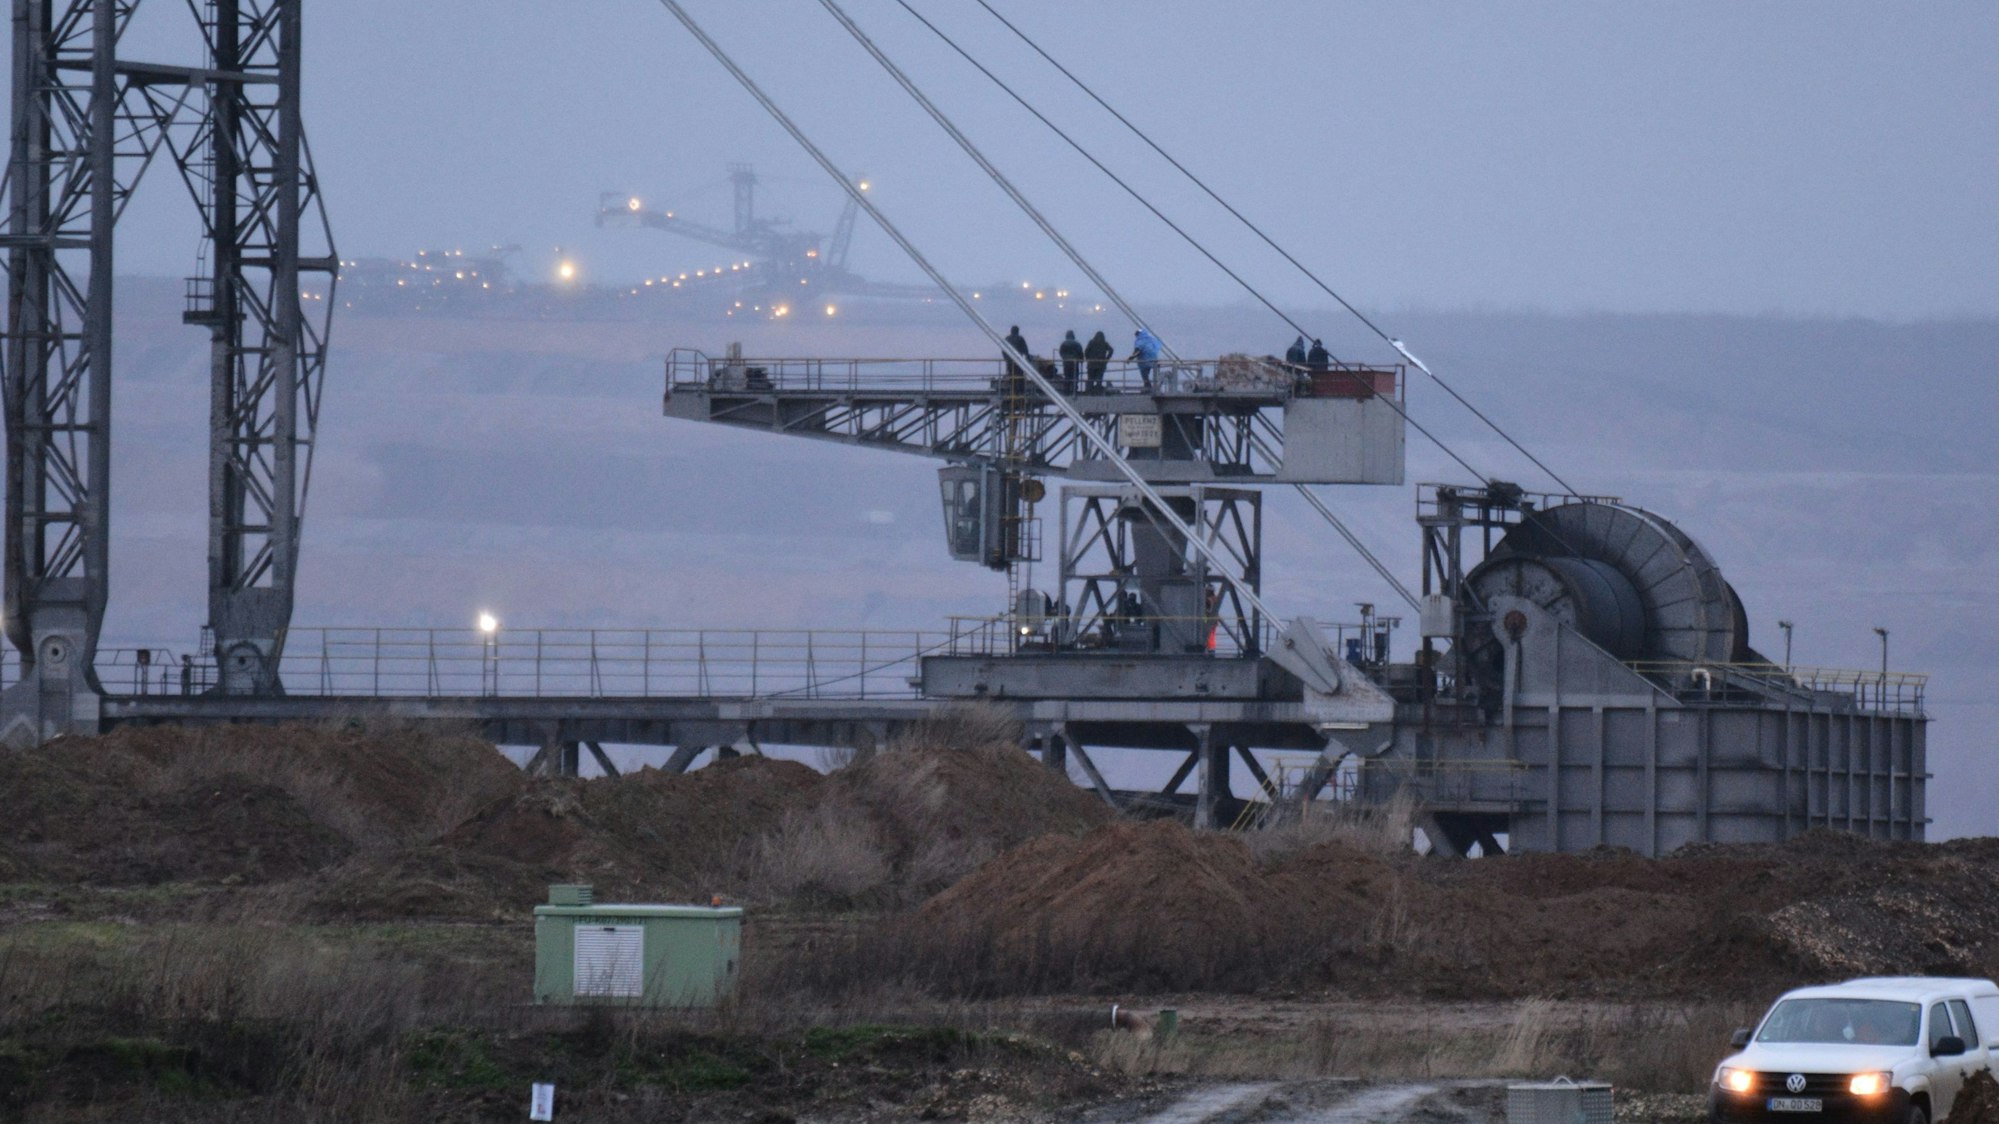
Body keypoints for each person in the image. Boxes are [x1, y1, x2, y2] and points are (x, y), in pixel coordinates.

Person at [1002, 325, 1030, 394]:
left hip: (1010, 362)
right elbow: (1025, 349)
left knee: (1012, 377)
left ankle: (1013, 391)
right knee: (1020, 377)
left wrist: (1006, 359)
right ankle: (1021, 392)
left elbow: (1003, 350)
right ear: (1017, 331)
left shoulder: (1007, 339)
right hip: (1018, 362)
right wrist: (1028, 357)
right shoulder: (1020, 338)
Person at [1057, 330, 1083, 394]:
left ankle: (1066, 391)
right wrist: (1081, 360)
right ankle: (1074, 390)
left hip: (1066, 362)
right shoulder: (1077, 343)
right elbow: (1080, 353)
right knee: (1075, 376)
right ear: (1073, 335)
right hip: (1075, 362)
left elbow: (1061, 352)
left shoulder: (1063, 343)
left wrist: (1064, 358)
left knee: (1067, 376)